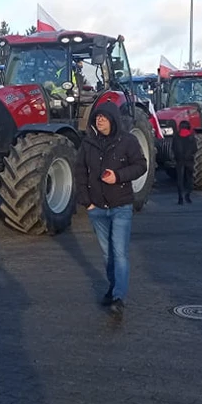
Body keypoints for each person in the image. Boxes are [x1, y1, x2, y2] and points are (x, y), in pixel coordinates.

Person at [75, 101, 148, 317]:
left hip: (121, 206)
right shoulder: (88, 143)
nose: (99, 121)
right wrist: (86, 202)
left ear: (113, 120)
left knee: (120, 253)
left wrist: (118, 176)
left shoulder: (128, 141)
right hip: (96, 208)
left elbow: (141, 165)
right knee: (108, 254)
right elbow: (80, 172)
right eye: (97, 118)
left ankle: (118, 296)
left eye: (103, 118)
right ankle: (113, 287)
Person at [172, 120, 197, 204]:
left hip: (179, 161)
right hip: (189, 161)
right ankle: (188, 195)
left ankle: (180, 198)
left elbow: (173, 148)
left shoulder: (176, 137)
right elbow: (195, 149)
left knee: (180, 180)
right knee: (189, 178)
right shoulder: (191, 137)